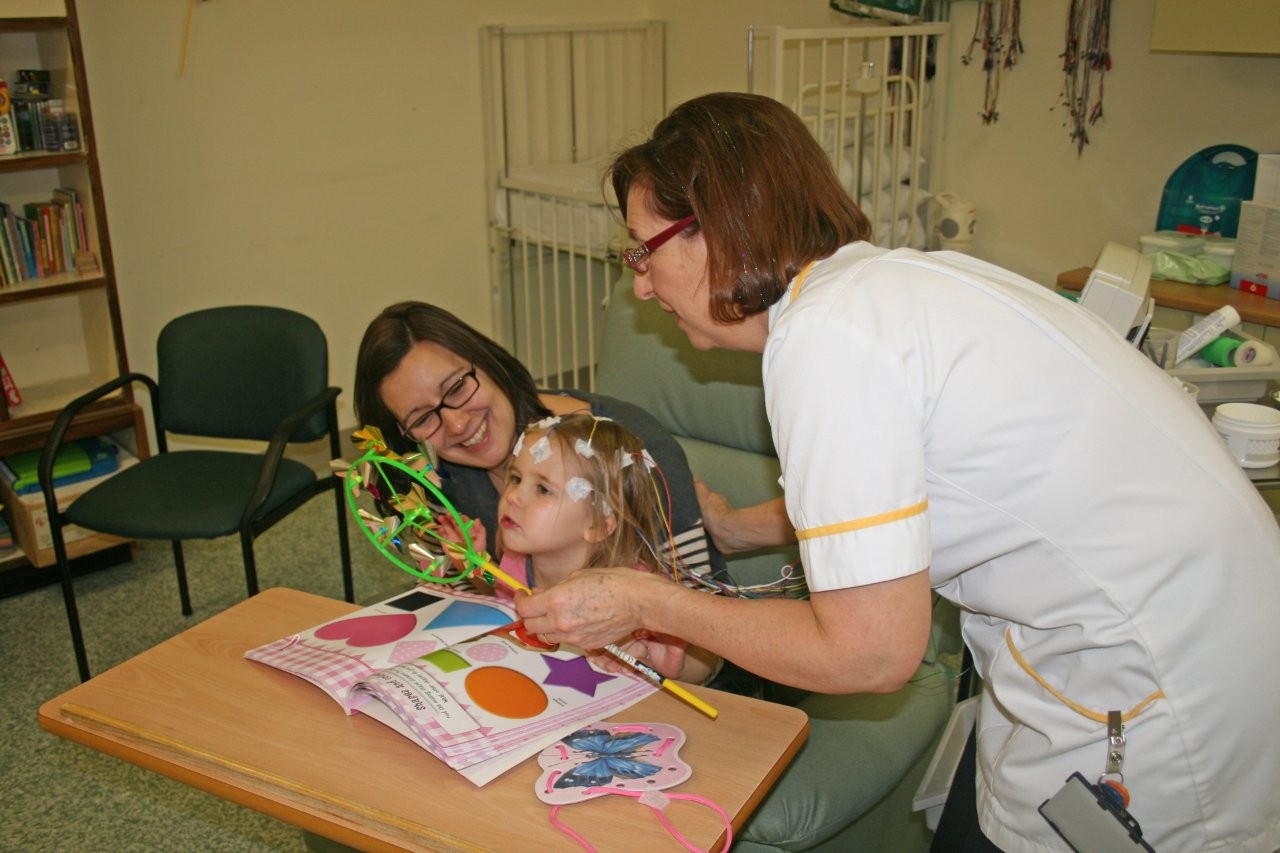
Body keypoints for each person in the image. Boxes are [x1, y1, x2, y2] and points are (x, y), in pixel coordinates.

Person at [515, 92, 1280, 851]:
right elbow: (906, 488)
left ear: (721, 226)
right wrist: (735, 528)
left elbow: (872, 653)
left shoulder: (825, 342)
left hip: (1159, 680)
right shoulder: (890, 289)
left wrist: (652, 600)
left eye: (645, 250)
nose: (641, 284)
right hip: (1212, 616)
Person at [353, 300, 728, 587]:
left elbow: (704, 639)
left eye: (457, 387)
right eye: (421, 418)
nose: (456, 423)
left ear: (486, 362)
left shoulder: (629, 453)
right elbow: (488, 594)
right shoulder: (438, 481)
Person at [479, 411, 719, 685]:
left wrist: (671, 662)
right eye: (516, 478)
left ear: (598, 525)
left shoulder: (633, 595)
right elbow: (499, 587)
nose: (513, 496)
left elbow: (702, 664)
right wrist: (473, 565)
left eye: (543, 489)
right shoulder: (516, 559)